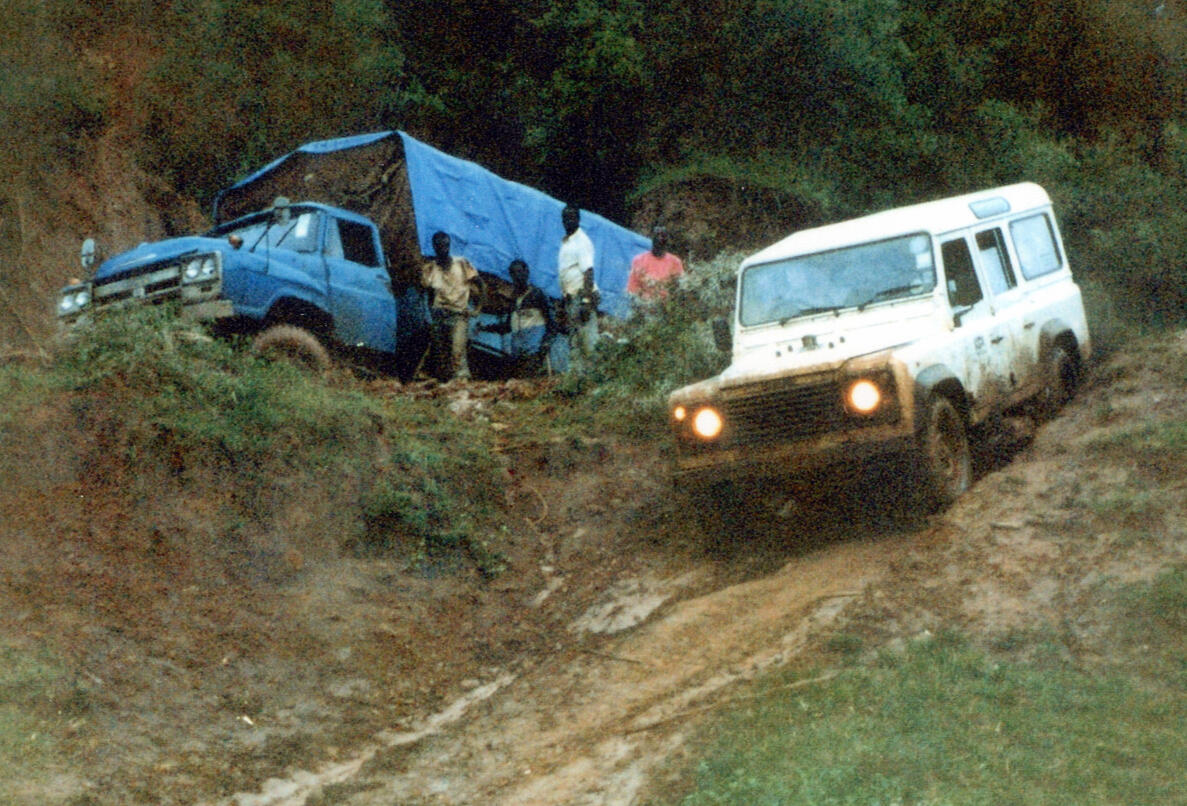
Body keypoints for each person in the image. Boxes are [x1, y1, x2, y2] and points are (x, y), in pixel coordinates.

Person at [420, 231, 480, 381]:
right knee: (441, 352)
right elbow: (428, 293)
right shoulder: (430, 269)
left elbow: (481, 285)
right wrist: (430, 313)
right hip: (439, 313)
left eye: (446, 245)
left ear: (449, 245)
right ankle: (445, 385)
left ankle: (462, 382)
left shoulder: (461, 264)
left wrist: (477, 309)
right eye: (439, 246)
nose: (443, 248)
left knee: (457, 350)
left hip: (458, 314)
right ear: (434, 247)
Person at [481, 259, 556, 376]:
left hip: (534, 352)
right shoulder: (513, 300)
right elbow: (507, 326)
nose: (518, 276)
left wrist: (545, 345)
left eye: (520, 272)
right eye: (514, 273)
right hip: (517, 353)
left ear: (527, 273)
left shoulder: (537, 295)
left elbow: (552, 323)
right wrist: (485, 328)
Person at [556, 204, 599, 370]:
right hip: (571, 299)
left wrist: (586, 301)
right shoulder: (566, 242)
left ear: (579, 219)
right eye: (565, 218)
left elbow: (588, 272)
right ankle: (578, 383)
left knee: (588, 344)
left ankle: (596, 384)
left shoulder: (581, 241)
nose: (568, 221)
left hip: (582, 297)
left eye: (572, 217)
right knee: (575, 344)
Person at [627, 225, 684, 300]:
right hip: (645, 305)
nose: (660, 239)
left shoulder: (675, 262)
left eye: (663, 237)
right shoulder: (639, 260)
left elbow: (681, 288)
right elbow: (632, 289)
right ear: (652, 239)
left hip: (666, 305)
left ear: (666, 241)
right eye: (657, 237)